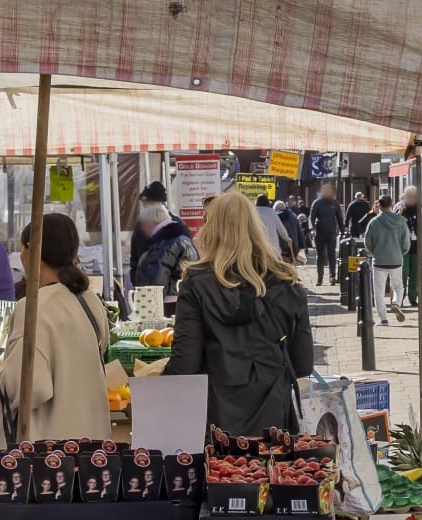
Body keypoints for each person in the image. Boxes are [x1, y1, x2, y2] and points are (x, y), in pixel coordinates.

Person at [168, 190, 316, 436]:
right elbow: (302, 364)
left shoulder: (196, 283)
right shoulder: (287, 280)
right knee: (269, 473)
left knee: (221, 473)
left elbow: (185, 364)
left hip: (215, 417)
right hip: (273, 414)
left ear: (211, 230)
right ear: (257, 228)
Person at [0, 213, 109, 444]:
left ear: (30, 250)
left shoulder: (33, 308)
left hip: (47, 455)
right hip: (89, 445)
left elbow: (30, 387)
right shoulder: (89, 300)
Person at [363, 189, 413, 320]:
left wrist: (374, 253)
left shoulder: (373, 222)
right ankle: (396, 303)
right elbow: (406, 243)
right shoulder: (401, 222)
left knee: (378, 291)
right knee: (398, 286)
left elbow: (367, 242)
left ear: (379, 206)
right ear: (391, 205)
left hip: (379, 261)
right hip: (396, 259)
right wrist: (401, 252)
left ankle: (383, 318)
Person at [129, 201, 196, 296]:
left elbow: (156, 278)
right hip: (180, 296)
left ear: (152, 222)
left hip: (167, 301)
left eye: (143, 224)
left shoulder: (166, 243)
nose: (142, 229)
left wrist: (151, 301)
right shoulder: (181, 239)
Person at [128, 178, 170, 276]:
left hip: (156, 281)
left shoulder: (174, 224)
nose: (144, 205)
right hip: (153, 281)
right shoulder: (141, 224)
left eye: (145, 202)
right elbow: (135, 257)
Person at [310, 181, 342, 285]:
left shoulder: (335, 203)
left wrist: (343, 231)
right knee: (320, 256)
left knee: (332, 254)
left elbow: (339, 219)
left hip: (331, 232)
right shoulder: (317, 203)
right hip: (320, 232)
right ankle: (320, 278)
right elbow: (312, 217)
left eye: (329, 191)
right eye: (325, 190)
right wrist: (312, 228)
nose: (328, 192)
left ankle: (332, 276)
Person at [399, 186, 422, 305]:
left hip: (416, 248)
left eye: (413, 196)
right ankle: (400, 298)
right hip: (402, 249)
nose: (411, 199)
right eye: (409, 196)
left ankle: (413, 298)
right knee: (403, 275)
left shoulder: (420, 209)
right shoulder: (400, 209)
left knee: (415, 275)